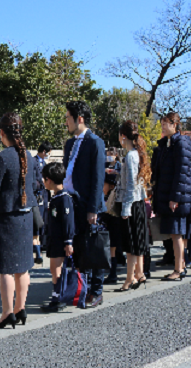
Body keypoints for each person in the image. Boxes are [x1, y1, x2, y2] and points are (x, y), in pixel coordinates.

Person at [0, 112, 37, 328]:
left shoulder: (2, 157)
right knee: (22, 267)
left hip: (6, 218)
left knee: (6, 268)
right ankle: (20, 308)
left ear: (2, 132)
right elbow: (34, 186)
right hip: (25, 217)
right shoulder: (30, 157)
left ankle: (7, 313)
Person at [62, 100, 106, 307]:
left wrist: (93, 208)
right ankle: (81, 290)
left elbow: (98, 178)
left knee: (94, 249)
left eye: (68, 118)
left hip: (87, 203)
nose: (66, 122)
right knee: (78, 248)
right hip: (71, 202)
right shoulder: (70, 143)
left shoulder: (95, 142)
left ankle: (96, 291)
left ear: (79, 119)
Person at [152, 112, 191, 282]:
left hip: (176, 197)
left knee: (176, 233)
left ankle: (178, 269)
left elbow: (182, 173)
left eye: (165, 124)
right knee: (176, 234)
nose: (162, 127)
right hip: (171, 195)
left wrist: (175, 197)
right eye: (162, 124)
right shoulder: (169, 143)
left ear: (175, 125)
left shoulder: (181, 143)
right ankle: (180, 266)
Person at [115, 121, 150, 292]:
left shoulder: (130, 155)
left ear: (123, 136)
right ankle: (139, 274)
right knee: (138, 242)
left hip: (131, 204)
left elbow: (130, 185)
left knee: (130, 245)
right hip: (139, 203)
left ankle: (129, 279)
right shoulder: (138, 153)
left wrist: (125, 208)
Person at [39, 162, 75, 313]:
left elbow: (68, 221)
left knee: (58, 269)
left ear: (49, 180)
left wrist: (68, 241)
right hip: (54, 238)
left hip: (61, 239)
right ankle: (56, 295)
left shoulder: (64, 198)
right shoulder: (55, 197)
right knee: (54, 268)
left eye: (44, 179)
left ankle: (58, 298)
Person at [33, 142, 52, 264]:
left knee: (43, 220)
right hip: (36, 195)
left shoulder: (44, 163)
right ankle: (37, 251)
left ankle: (40, 246)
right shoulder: (34, 162)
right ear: (44, 151)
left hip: (44, 195)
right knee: (37, 222)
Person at [101, 173, 121, 285]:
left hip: (113, 228)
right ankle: (112, 274)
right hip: (111, 228)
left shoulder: (111, 198)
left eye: (104, 184)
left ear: (111, 186)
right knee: (111, 252)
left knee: (112, 251)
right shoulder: (106, 197)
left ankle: (113, 274)